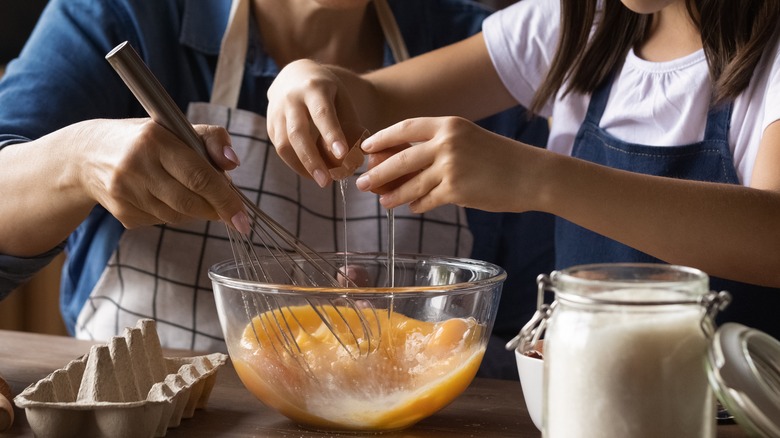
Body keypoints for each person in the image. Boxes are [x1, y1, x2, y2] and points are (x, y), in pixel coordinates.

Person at [0, 0, 553, 378]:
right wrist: (74, 161)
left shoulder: (492, 60)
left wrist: (405, 341)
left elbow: (523, 334)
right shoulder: (127, 14)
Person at [266, 0, 780, 339]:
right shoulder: (579, 24)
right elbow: (378, 97)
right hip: (580, 402)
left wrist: (537, 178)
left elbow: (770, 236)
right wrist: (312, 79)